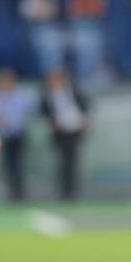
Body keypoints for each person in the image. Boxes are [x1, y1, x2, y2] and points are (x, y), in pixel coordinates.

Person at [0, 68, 36, 201]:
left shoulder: (21, 93)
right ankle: (11, 193)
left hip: (19, 133)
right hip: (5, 135)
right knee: (7, 165)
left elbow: (28, 111)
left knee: (19, 164)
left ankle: (21, 193)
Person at [41, 68, 90, 201]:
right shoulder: (48, 94)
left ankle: (73, 191)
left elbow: (85, 105)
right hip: (60, 132)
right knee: (63, 163)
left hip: (74, 129)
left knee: (72, 162)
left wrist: (85, 119)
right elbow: (44, 112)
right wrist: (51, 122)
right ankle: (63, 192)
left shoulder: (73, 90)